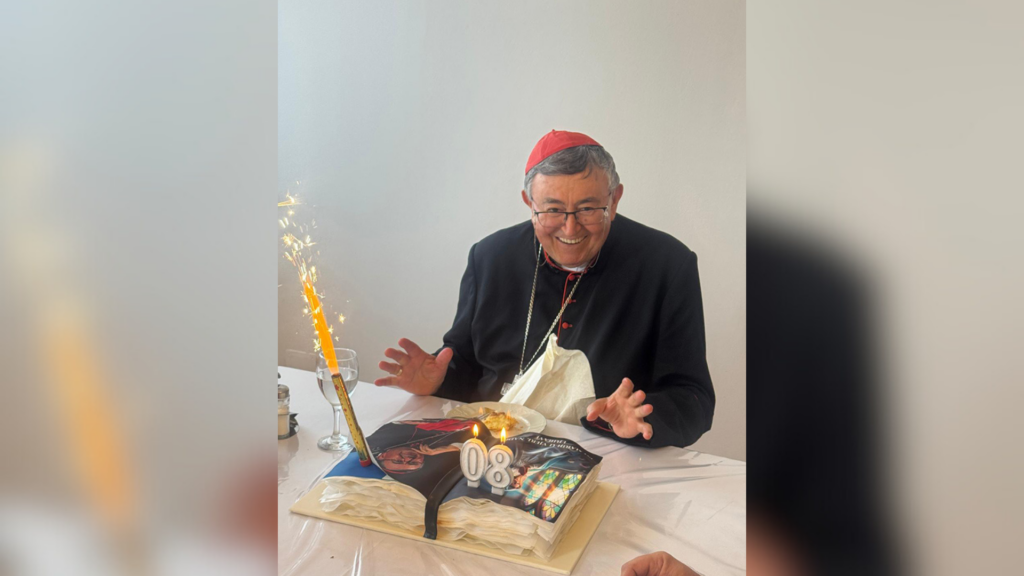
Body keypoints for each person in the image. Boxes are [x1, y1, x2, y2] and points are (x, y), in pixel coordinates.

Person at [375, 130, 714, 448]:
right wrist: (436, 382)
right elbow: (464, 364)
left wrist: (641, 415)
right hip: (492, 449)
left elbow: (693, 398)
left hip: (607, 453)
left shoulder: (667, 265)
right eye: (553, 210)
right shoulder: (490, 257)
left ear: (614, 200)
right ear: (529, 202)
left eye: (587, 209)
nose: (570, 228)